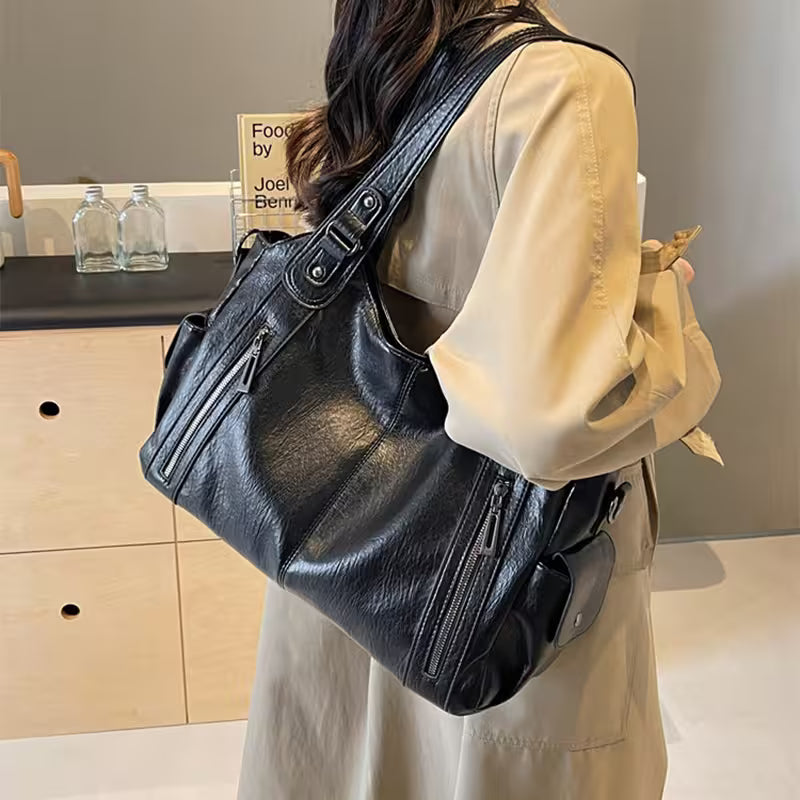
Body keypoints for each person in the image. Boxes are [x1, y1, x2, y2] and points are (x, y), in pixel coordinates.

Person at [238, 2, 721, 798]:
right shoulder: (564, 80)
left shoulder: (391, 45)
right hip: (498, 565)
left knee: (356, 752)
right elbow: (555, 419)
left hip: (350, 531)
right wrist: (668, 320)